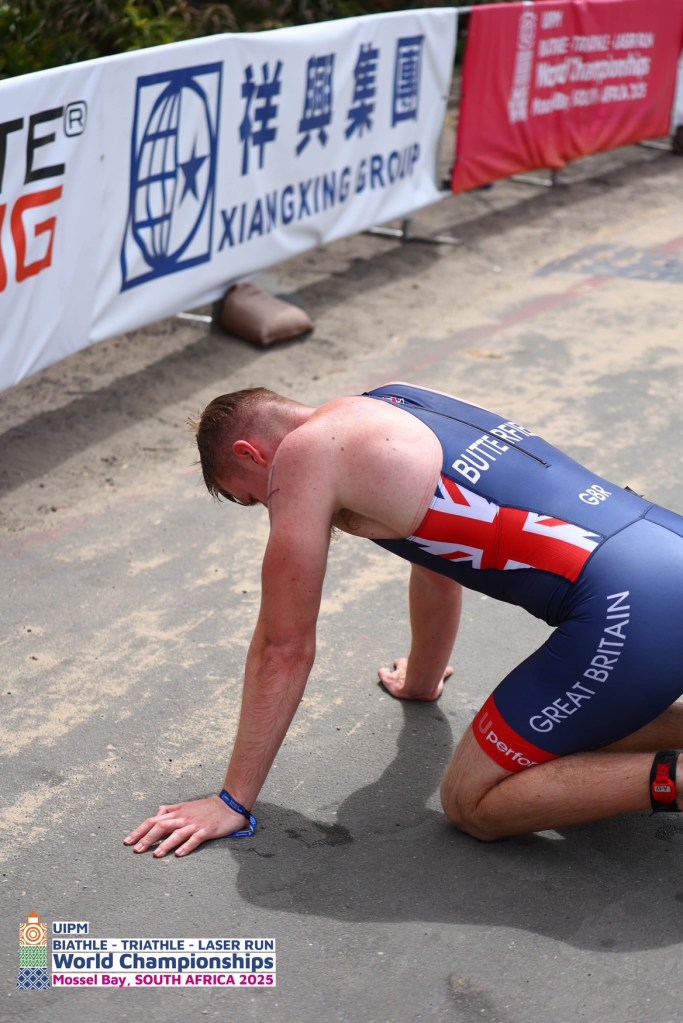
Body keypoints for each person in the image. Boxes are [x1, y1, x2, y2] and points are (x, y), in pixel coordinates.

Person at [124, 382, 683, 858]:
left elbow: (283, 647)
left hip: (629, 611)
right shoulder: (394, 402)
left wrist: (232, 801)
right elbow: (436, 564)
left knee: (472, 802)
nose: (270, 506)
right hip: (666, 540)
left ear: (250, 454)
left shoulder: (304, 455)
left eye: (251, 498)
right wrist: (421, 679)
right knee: (561, 744)